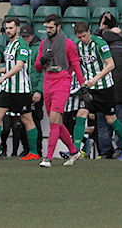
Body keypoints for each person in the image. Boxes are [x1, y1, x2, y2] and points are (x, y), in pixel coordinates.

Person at [73, 22, 122, 160]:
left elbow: (111, 64)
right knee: (81, 114)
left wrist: (96, 78)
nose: (82, 39)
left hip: (105, 87)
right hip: (90, 88)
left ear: (89, 32)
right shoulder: (78, 46)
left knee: (111, 119)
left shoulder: (100, 43)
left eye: (84, 36)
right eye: (79, 37)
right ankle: (75, 151)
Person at [0, 18, 40, 161]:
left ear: (18, 29)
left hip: (21, 90)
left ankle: (33, 152)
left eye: (11, 28)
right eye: (6, 28)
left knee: (27, 119)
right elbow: (10, 67)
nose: (8, 31)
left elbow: (19, 66)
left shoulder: (21, 44)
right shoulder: (9, 45)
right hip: (7, 89)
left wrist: (3, 77)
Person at [34, 15, 86, 167]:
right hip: (48, 81)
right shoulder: (43, 44)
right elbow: (37, 67)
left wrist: (83, 87)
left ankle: (48, 157)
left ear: (59, 27)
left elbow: (76, 65)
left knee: (54, 120)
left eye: (51, 27)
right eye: (47, 28)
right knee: (56, 121)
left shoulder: (69, 45)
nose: (48, 30)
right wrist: (43, 59)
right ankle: (74, 151)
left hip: (62, 81)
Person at [94, 13, 122, 159]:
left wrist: (99, 30)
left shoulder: (98, 46)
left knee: (103, 125)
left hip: (102, 89)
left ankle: (105, 152)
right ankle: (121, 149)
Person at [19, 25, 44, 156]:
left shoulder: (40, 48)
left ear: (32, 36)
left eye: (26, 36)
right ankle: (26, 148)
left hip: (34, 89)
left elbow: (43, 71)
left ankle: (37, 149)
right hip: (23, 89)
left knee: (34, 120)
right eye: (22, 36)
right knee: (23, 120)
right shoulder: (20, 47)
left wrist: (39, 90)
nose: (24, 39)